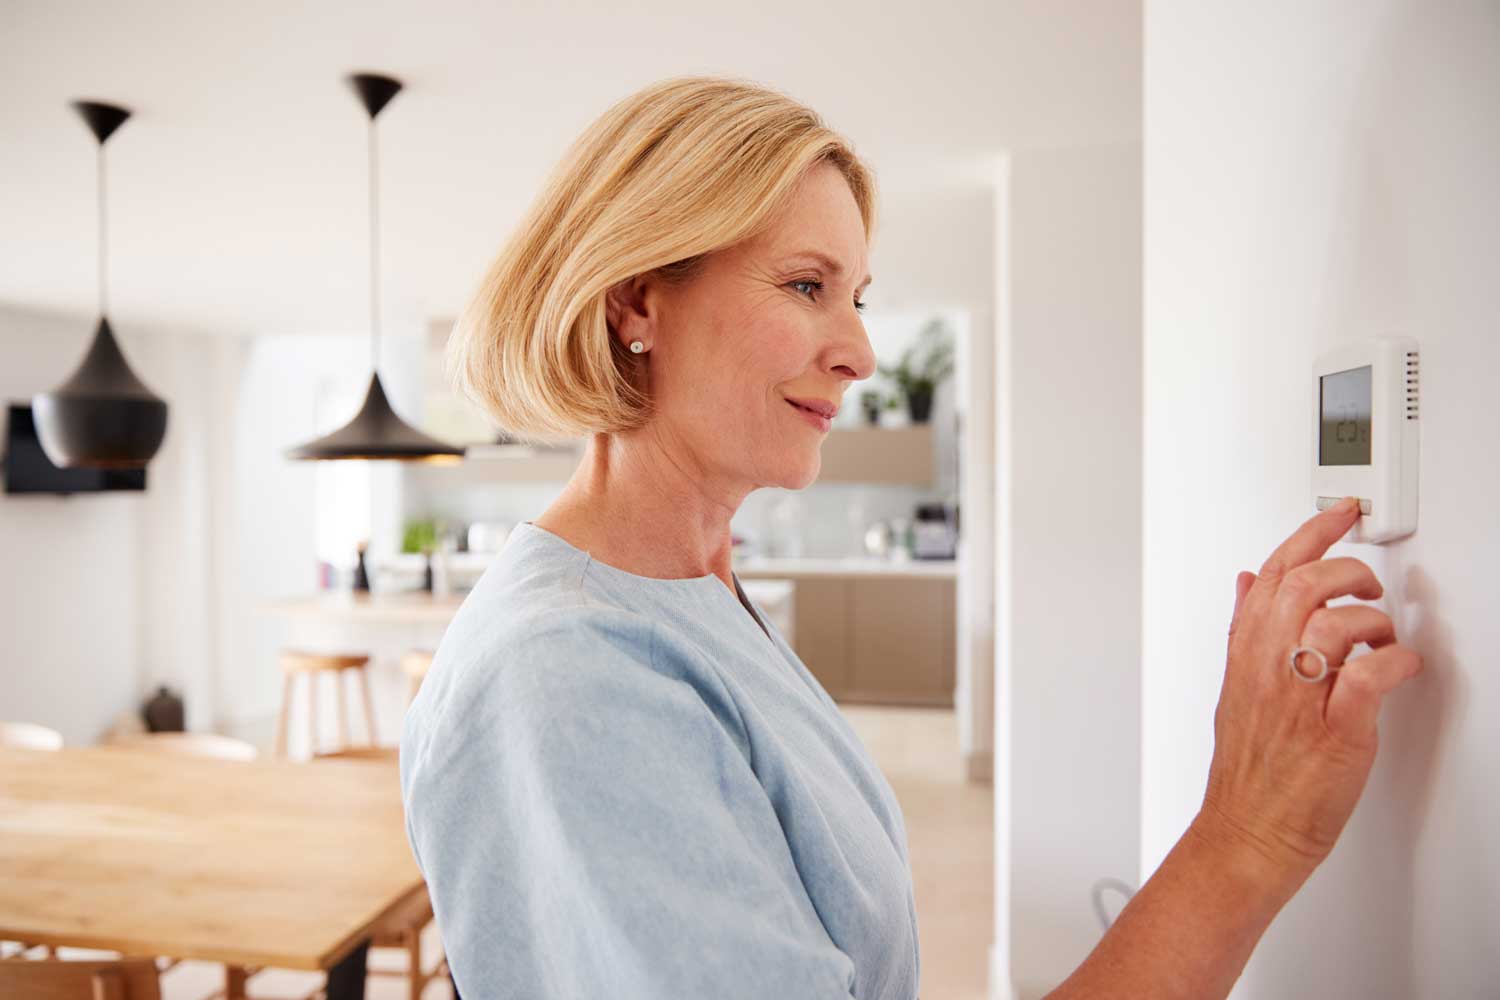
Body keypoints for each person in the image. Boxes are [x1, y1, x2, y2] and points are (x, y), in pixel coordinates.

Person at [398, 75, 1423, 1000]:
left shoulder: (692, 588)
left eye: (858, 297)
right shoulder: (570, 675)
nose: (859, 352)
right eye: (807, 285)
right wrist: (1246, 837)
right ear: (635, 304)